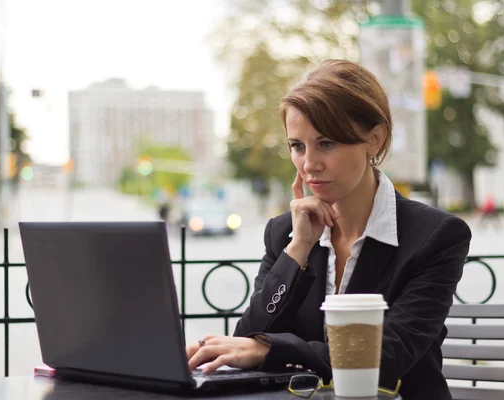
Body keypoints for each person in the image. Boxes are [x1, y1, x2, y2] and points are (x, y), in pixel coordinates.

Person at [185, 60, 471, 400]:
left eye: (327, 144)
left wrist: (274, 350)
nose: (309, 164)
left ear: (374, 140)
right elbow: (250, 337)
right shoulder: (285, 234)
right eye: (297, 146)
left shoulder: (435, 236)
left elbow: (386, 358)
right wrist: (299, 249)